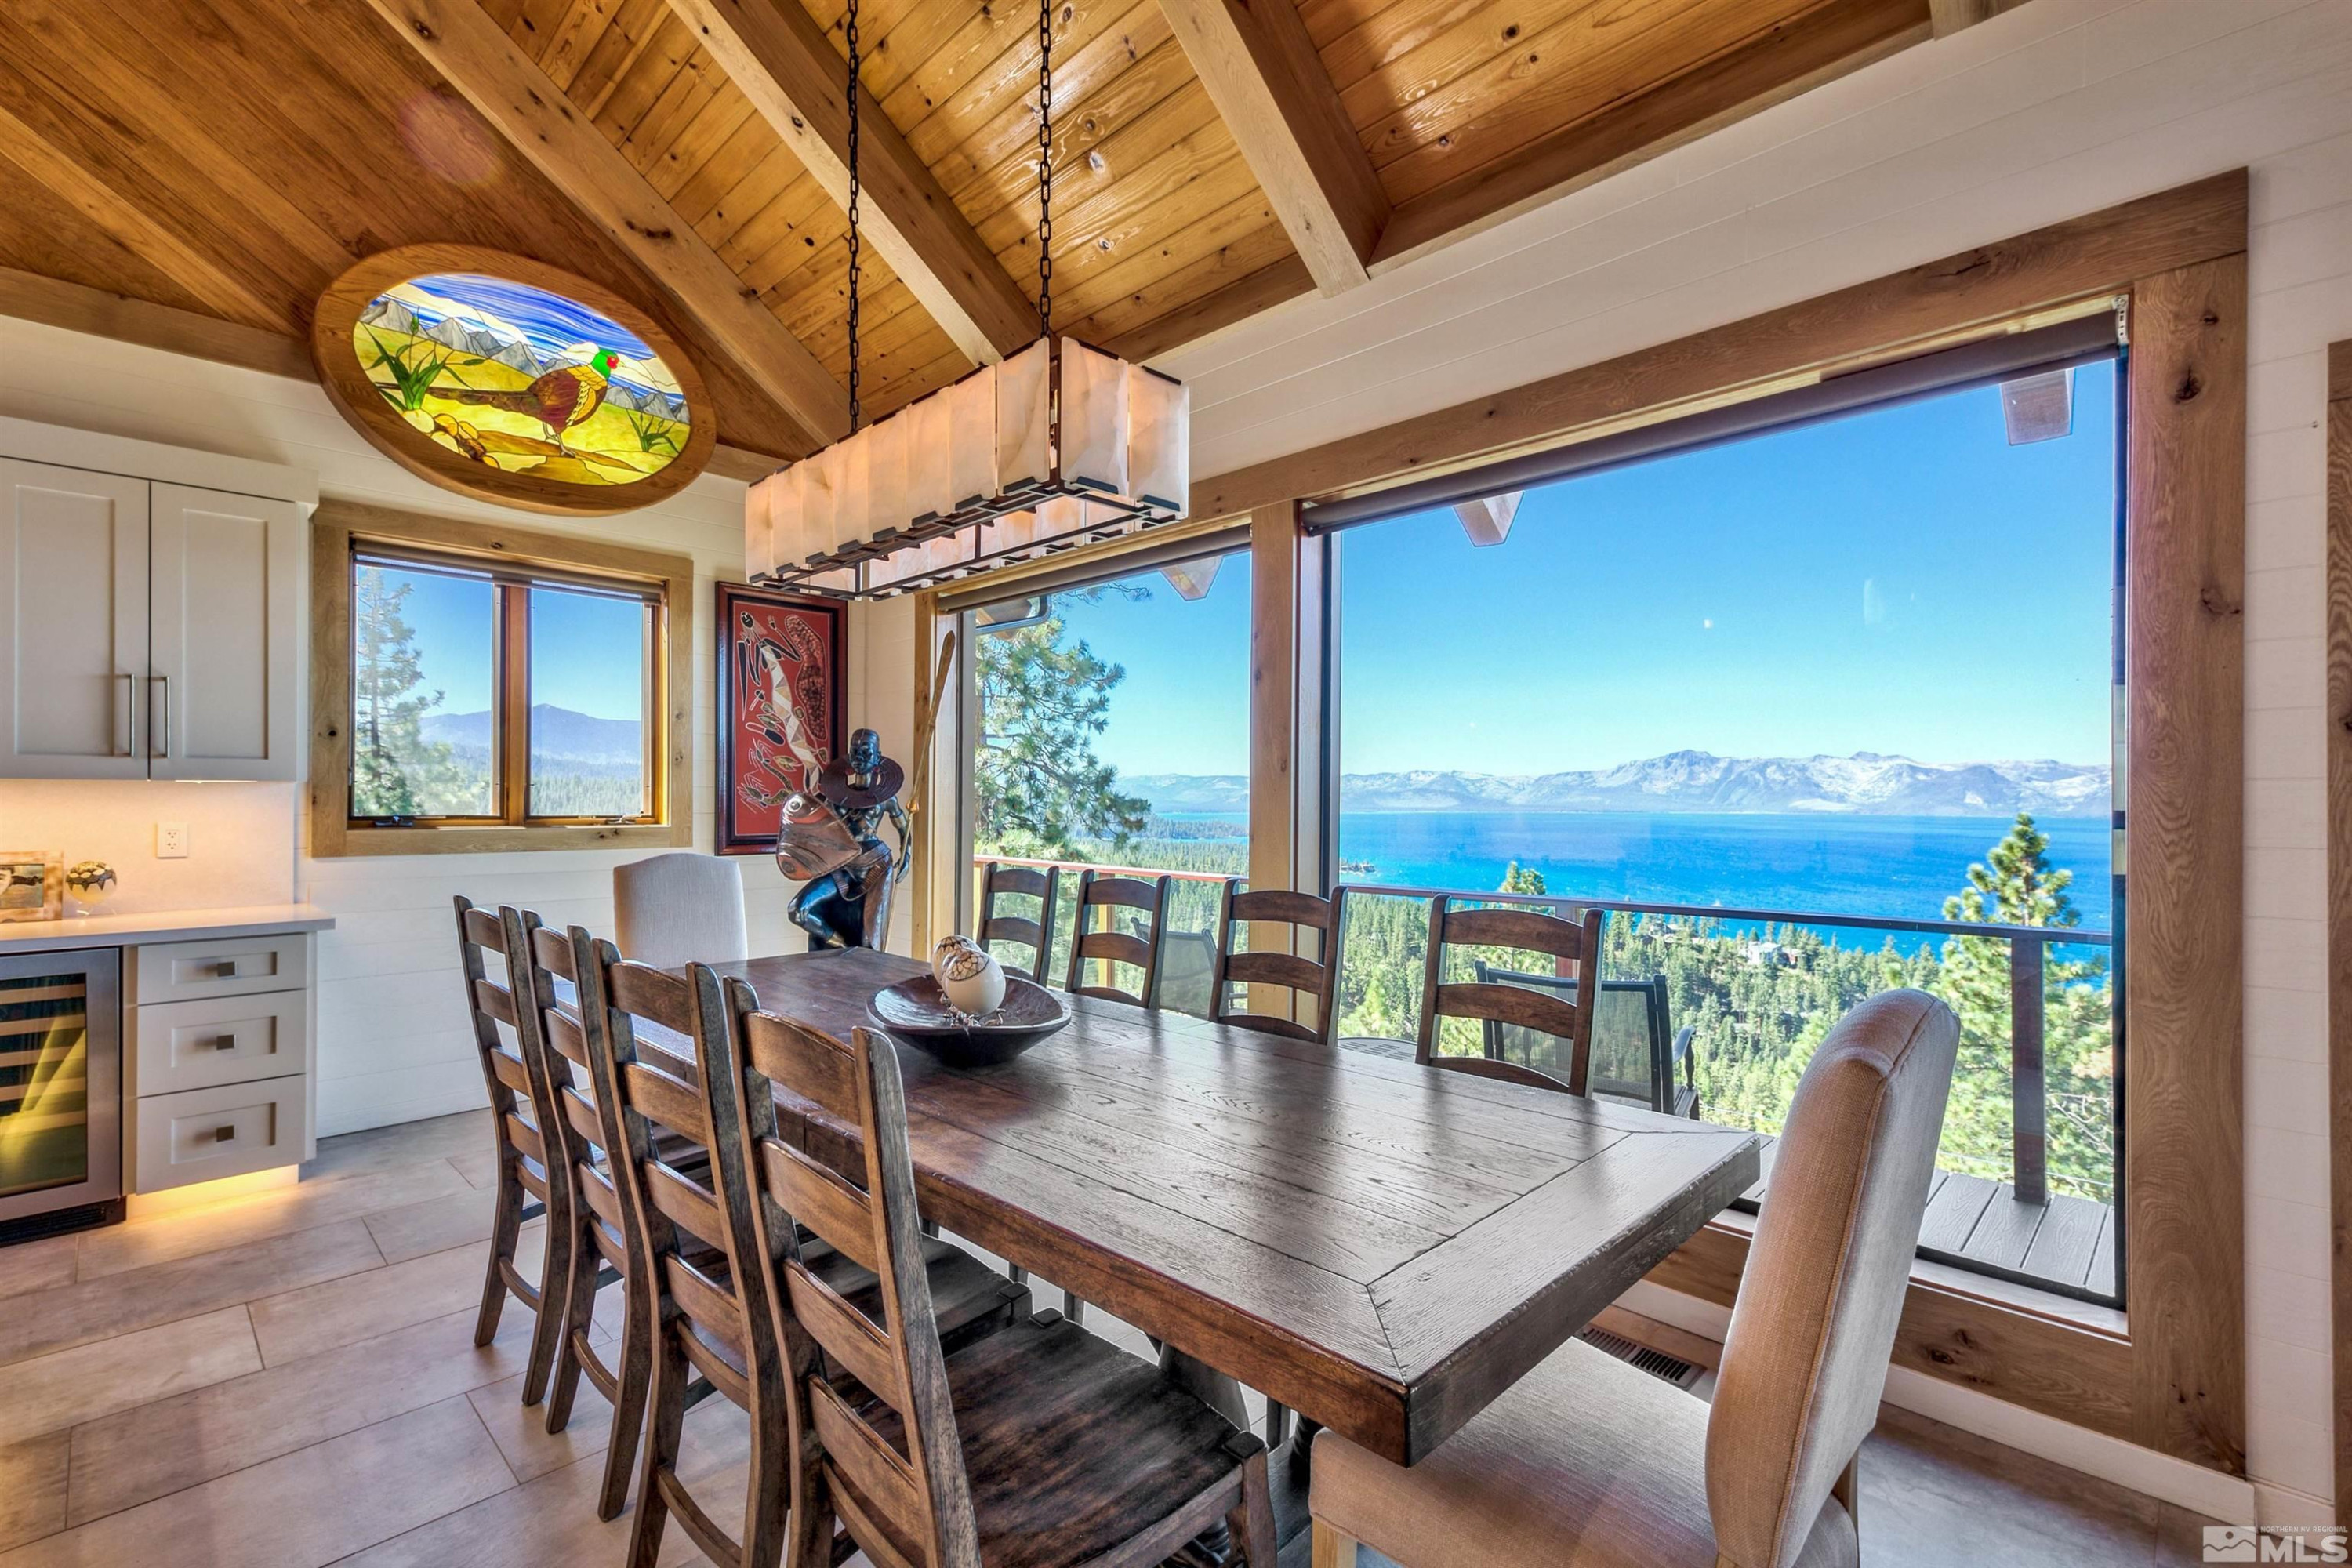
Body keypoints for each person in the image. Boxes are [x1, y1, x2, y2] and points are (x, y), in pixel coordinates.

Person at [782, 728, 913, 949]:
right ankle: (838, 944)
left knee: (869, 943)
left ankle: (859, 966)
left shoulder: (885, 799)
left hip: (875, 868)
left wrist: (907, 856)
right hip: (840, 868)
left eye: (866, 752)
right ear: (849, 757)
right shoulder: (832, 796)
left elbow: (904, 829)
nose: (860, 758)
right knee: (798, 910)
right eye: (855, 752)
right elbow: (809, 824)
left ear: (878, 756)